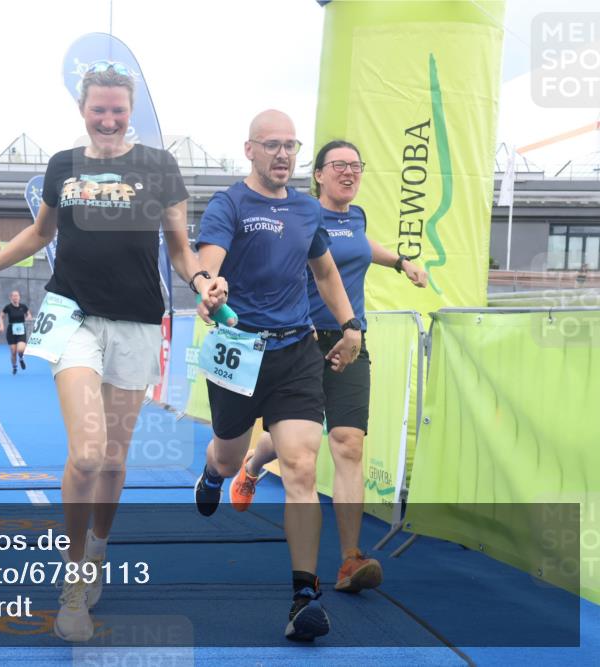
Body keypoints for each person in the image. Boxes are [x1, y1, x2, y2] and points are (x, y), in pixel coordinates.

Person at [0, 62, 228, 642]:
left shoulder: (159, 167)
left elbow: (182, 249)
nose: (108, 119)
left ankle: (98, 548)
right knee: (85, 454)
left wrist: (204, 280)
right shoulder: (64, 165)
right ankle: (74, 579)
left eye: (117, 110)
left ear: (129, 111)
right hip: (72, 315)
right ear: (82, 110)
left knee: (112, 457)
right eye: (98, 109)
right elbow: (39, 234)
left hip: (136, 320)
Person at [228, 139, 428, 594]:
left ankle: (350, 560)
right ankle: (252, 467)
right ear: (317, 174)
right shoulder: (299, 215)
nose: (349, 173)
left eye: (356, 166)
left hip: (350, 340)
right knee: (294, 444)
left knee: (348, 444)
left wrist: (400, 262)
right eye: (339, 165)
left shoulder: (355, 217)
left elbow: (358, 244)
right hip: (300, 340)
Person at [193, 110, 362, 642]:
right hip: (238, 353)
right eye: (272, 145)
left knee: (300, 467)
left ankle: (303, 596)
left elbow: (326, 272)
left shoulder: (307, 209)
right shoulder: (229, 203)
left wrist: (350, 325)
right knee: (227, 449)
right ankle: (217, 474)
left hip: (295, 352)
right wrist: (210, 286)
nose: (283, 154)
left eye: (291, 145)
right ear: (249, 150)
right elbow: (208, 256)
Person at [0, 289, 32, 374]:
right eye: (13, 296)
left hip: (21, 330)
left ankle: (21, 358)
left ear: (19, 297)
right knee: (13, 352)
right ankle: (14, 367)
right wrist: (1, 325)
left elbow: (29, 315)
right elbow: (1, 316)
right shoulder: (8, 307)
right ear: (11, 298)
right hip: (11, 331)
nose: (15, 297)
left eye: (17, 296)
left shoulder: (23, 307)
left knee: (20, 349)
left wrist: (28, 318)